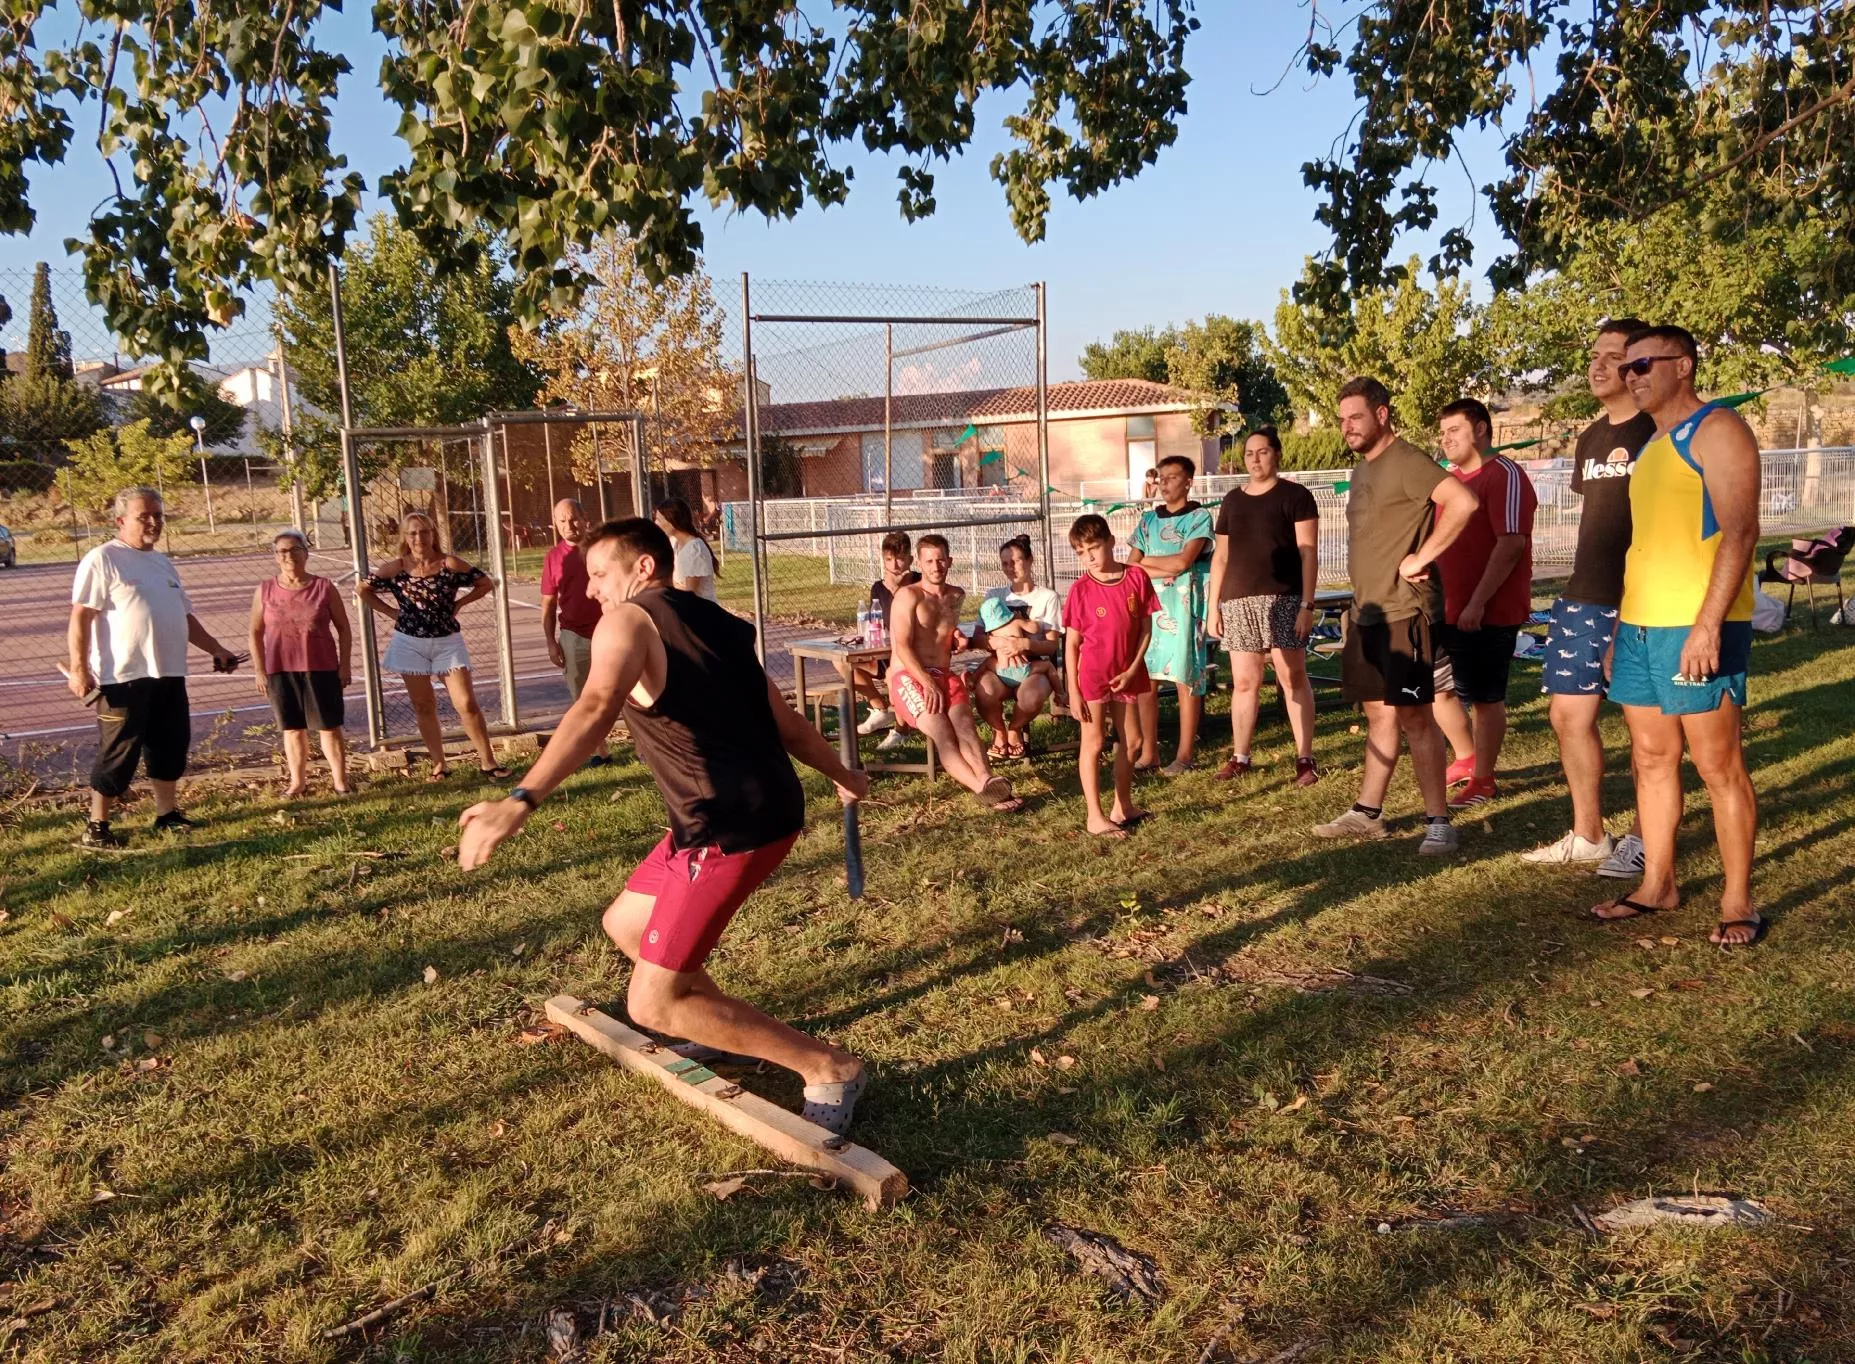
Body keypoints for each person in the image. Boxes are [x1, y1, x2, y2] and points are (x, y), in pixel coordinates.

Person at [455, 519, 876, 1132]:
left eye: (600, 574)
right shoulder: (718, 623)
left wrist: (520, 799)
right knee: (625, 923)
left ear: (644, 568)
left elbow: (597, 705)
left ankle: (829, 1066)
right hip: (740, 809)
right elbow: (785, 723)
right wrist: (841, 771)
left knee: (652, 1001)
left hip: (728, 825)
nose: (593, 589)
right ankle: (714, 1027)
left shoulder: (628, 620)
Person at [1590, 326, 1763, 947]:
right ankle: (1657, 884)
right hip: (1640, 629)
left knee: (1719, 766)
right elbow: (1648, 547)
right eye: (1626, 368)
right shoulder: (1653, 446)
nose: (1632, 376)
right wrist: (1618, 630)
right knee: (1651, 760)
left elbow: (1741, 532)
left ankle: (1738, 899)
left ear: (1683, 365)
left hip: (1695, 630)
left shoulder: (1718, 430)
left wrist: (1708, 624)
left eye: (1643, 365)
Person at [1312, 377, 1478, 855]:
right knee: (1377, 711)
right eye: (1342, 419)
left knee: (1415, 716)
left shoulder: (1407, 461)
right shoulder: (1364, 470)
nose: (1347, 427)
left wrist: (1422, 556)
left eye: (1356, 417)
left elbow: (1463, 502)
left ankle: (1439, 822)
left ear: (1382, 414)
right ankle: (1368, 812)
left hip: (1405, 612)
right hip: (1367, 613)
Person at [1521, 318, 1657, 874]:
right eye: (1594, 356)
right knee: (1566, 716)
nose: (1597, 366)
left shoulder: (1655, 432)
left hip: (1642, 597)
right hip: (1583, 596)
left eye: (1612, 356)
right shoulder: (1592, 436)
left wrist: (1632, 606)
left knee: (1644, 725)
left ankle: (1645, 836)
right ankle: (1588, 834)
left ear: (1639, 365)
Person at [65, 487, 242, 847]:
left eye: (158, 515)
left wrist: (218, 649)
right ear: (120, 521)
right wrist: (79, 667)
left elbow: (184, 616)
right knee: (119, 752)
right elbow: (81, 616)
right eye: (144, 516)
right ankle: (97, 827)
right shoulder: (103, 559)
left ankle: (166, 815)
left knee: (170, 746)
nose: (153, 522)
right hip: (123, 678)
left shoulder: (162, 562)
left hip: (169, 674)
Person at [1428, 398, 1537, 809]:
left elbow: (1511, 544)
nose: (1446, 440)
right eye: (1443, 433)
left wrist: (1477, 602)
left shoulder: (1504, 474)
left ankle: (1485, 780)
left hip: (1488, 610)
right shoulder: (1450, 480)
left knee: (1485, 698)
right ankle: (1467, 758)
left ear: (1480, 430)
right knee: (1440, 689)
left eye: (1453, 430)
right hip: (1447, 607)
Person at [1205, 426, 1321, 785]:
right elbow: (1220, 557)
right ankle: (1241, 757)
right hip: (1238, 602)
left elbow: (1308, 552)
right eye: (1249, 454)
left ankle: (1305, 758)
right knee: (1243, 682)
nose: (1256, 459)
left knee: (1291, 676)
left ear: (1277, 454)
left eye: (1263, 452)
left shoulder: (1297, 496)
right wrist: (1214, 607)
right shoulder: (1232, 501)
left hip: (1285, 598)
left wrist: (1306, 604)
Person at [358, 510, 511, 781]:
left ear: (433, 534)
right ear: (405, 537)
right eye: (413, 533)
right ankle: (439, 764)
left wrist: (460, 603)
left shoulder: (449, 564)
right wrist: (391, 612)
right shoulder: (395, 568)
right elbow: (363, 590)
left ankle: (488, 762)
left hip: (447, 643)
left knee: (466, 703)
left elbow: (484, 583)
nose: (419, 538)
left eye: (425, 531)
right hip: (409, 643)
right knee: (424, 705)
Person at [888, 535, 1022, 811]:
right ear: (920, 564)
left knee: (966, 728)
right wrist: (926, 682)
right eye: (929, 561)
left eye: (940, 560)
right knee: (944, 734)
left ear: (949, 561)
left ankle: (988, 779)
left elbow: (946, 634)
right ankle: (983, 789)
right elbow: (901, 646)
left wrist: (959, 639)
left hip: (944, 674)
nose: (936, 566)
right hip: (909, 676)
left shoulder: (956, 595)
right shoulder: (908, 596)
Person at [1063, 514, 1159, 838]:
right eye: (1081, 552)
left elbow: (1146, 628)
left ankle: (1123, 806)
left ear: (1111, 542)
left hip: (1128, 673)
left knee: (1133, 742)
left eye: (1094, 547)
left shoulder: (1136, 578)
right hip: (1093, 676)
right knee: (1095, 741)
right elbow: (1072, 644)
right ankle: (1094, 816)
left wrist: (1133, 668)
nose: (1089, 557)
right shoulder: (1080, 590)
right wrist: (1073, 691)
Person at [1123, 455, 1214, 774]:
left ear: (1188, 481)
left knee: (1184, 676)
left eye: (1172, 478)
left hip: (1184, 608)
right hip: (1151, 609)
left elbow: (1183, 562)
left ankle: (1185, 754)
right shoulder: (1148, 521)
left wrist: (1150, 564)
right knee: (1147, 678)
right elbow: (1130, 564)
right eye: (1160, 478)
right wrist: (1160, 565)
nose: (1164, 484)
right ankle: (1150, 753)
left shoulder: (1199, 517)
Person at [248, 529, 353, 798]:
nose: (289, 556)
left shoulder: (324, 587)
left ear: (306, 553)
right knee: (292, 729)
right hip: (280, 670)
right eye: (282, 551)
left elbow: (343, 629)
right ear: (275, 557)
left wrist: (344, 666)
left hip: (321, 667)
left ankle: (341, 783)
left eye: (295, 549)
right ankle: (298, 783)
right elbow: (255, 632)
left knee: (329, 727)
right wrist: (260, 671)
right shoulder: (265, 590)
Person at [972, 534, 1063, 758]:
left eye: (1016, 561)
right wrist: (997, 642)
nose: (1010, 567)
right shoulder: (994, 596)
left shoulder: (1047, 597)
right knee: (985, 690)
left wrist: (1024, 643)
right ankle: (999, 732)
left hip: (1031, 665)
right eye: (1005, 563)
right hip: (1000, 664)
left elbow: (1051, 646)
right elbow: (976, 638)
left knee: (1031, 695)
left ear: (1030, 560)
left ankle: (1014, 729)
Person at [541, 498, 611, 767]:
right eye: (562, 520)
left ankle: (644, 747)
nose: (569, 525)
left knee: (628, 692)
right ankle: (600, 751)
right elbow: (548, 603)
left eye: (574, 519)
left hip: (610, 633)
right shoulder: (553, 557)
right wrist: (551, 642)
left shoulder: (603, 548)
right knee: (583, 698)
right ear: (555, 524)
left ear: (585, 519)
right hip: (574, 636)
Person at [843, 530, 919, 754]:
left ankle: (901, 731)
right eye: (889, 559)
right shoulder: (878, 587)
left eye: (900, 558)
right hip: (883, 649)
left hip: (910, 652)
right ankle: (879, 708)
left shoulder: (919, 583)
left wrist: (897, 589)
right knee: (843, 664)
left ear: (910, 560)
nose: (894, 564)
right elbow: (876, 619)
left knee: (892, 676)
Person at [655, 497, 719, 601]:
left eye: (658, 520)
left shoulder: (694, 548)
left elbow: (689, 592)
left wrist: (663, 587)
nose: (656, 524)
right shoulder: (673, 543)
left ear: (672, 520)